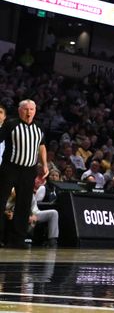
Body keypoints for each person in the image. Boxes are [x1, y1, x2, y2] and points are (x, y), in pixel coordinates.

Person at [0, 100, 48, 248]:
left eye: (32, 109)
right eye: (26, 109)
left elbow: (41, 146)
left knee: (23, 205)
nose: (29, 112)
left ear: (35, 110)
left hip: (29, 170)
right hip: (10, 168)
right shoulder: (11, 124)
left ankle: (17, 240)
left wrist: (45, 164)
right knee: (1, 202)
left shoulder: (39, 127)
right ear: (20, 110)